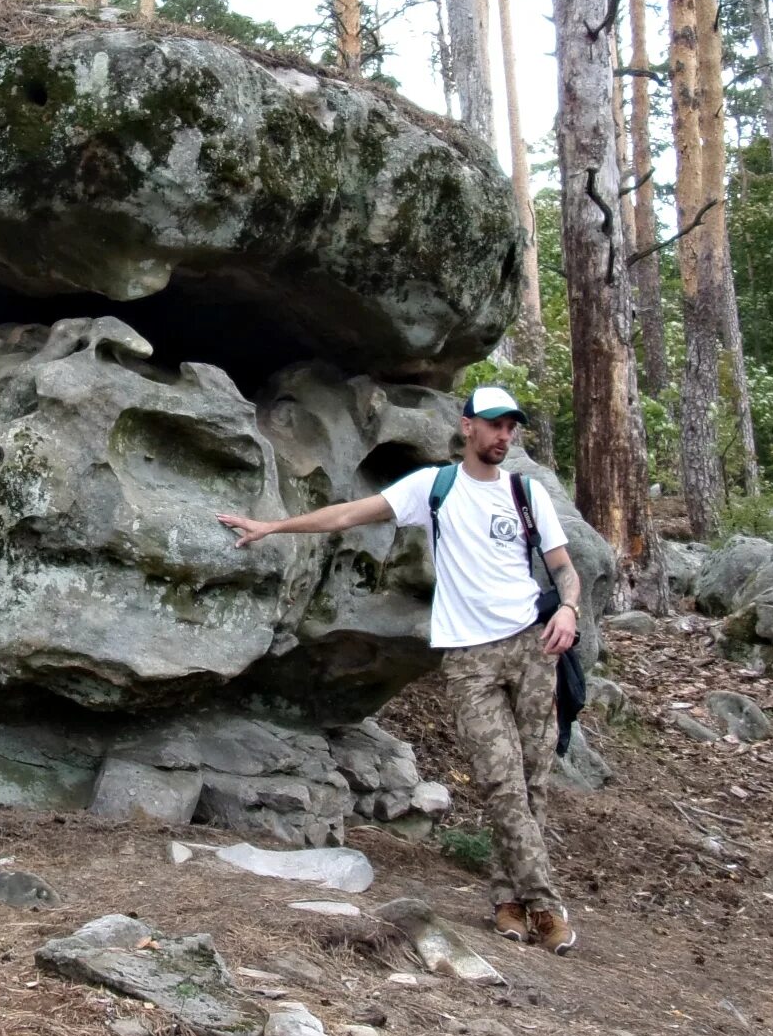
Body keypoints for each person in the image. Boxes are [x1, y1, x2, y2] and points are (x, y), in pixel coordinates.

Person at [216, 386, 583, 952]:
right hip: (470, 659)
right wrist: (273, 527)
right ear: (467, 428)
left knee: (530, 785)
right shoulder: (432, 487)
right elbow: (347, 514)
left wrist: (569, 608)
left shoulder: (526, 494)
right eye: (493, 425)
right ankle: (546, 906)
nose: (503, 436)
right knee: (500, 783)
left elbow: (563, 568)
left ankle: (507, 903)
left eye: (511, 427)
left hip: (534, 651)